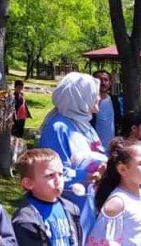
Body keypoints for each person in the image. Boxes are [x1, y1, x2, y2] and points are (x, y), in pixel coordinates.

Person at [39, 72, 107, 219]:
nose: (99, 97)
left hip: (89, 204)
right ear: (81, 95)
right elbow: (51, 171)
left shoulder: (84, 125)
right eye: (94, 93)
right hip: (69, 208)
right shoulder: (58, 128)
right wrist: (86, 175)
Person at [92, 70, 123, 146]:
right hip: (93, 146)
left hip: (111, 146)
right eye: (99, 80)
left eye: (106, 80)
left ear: (110, 82)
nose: (103, 83)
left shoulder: (114, 100)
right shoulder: (89, 102)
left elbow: (119, 120)